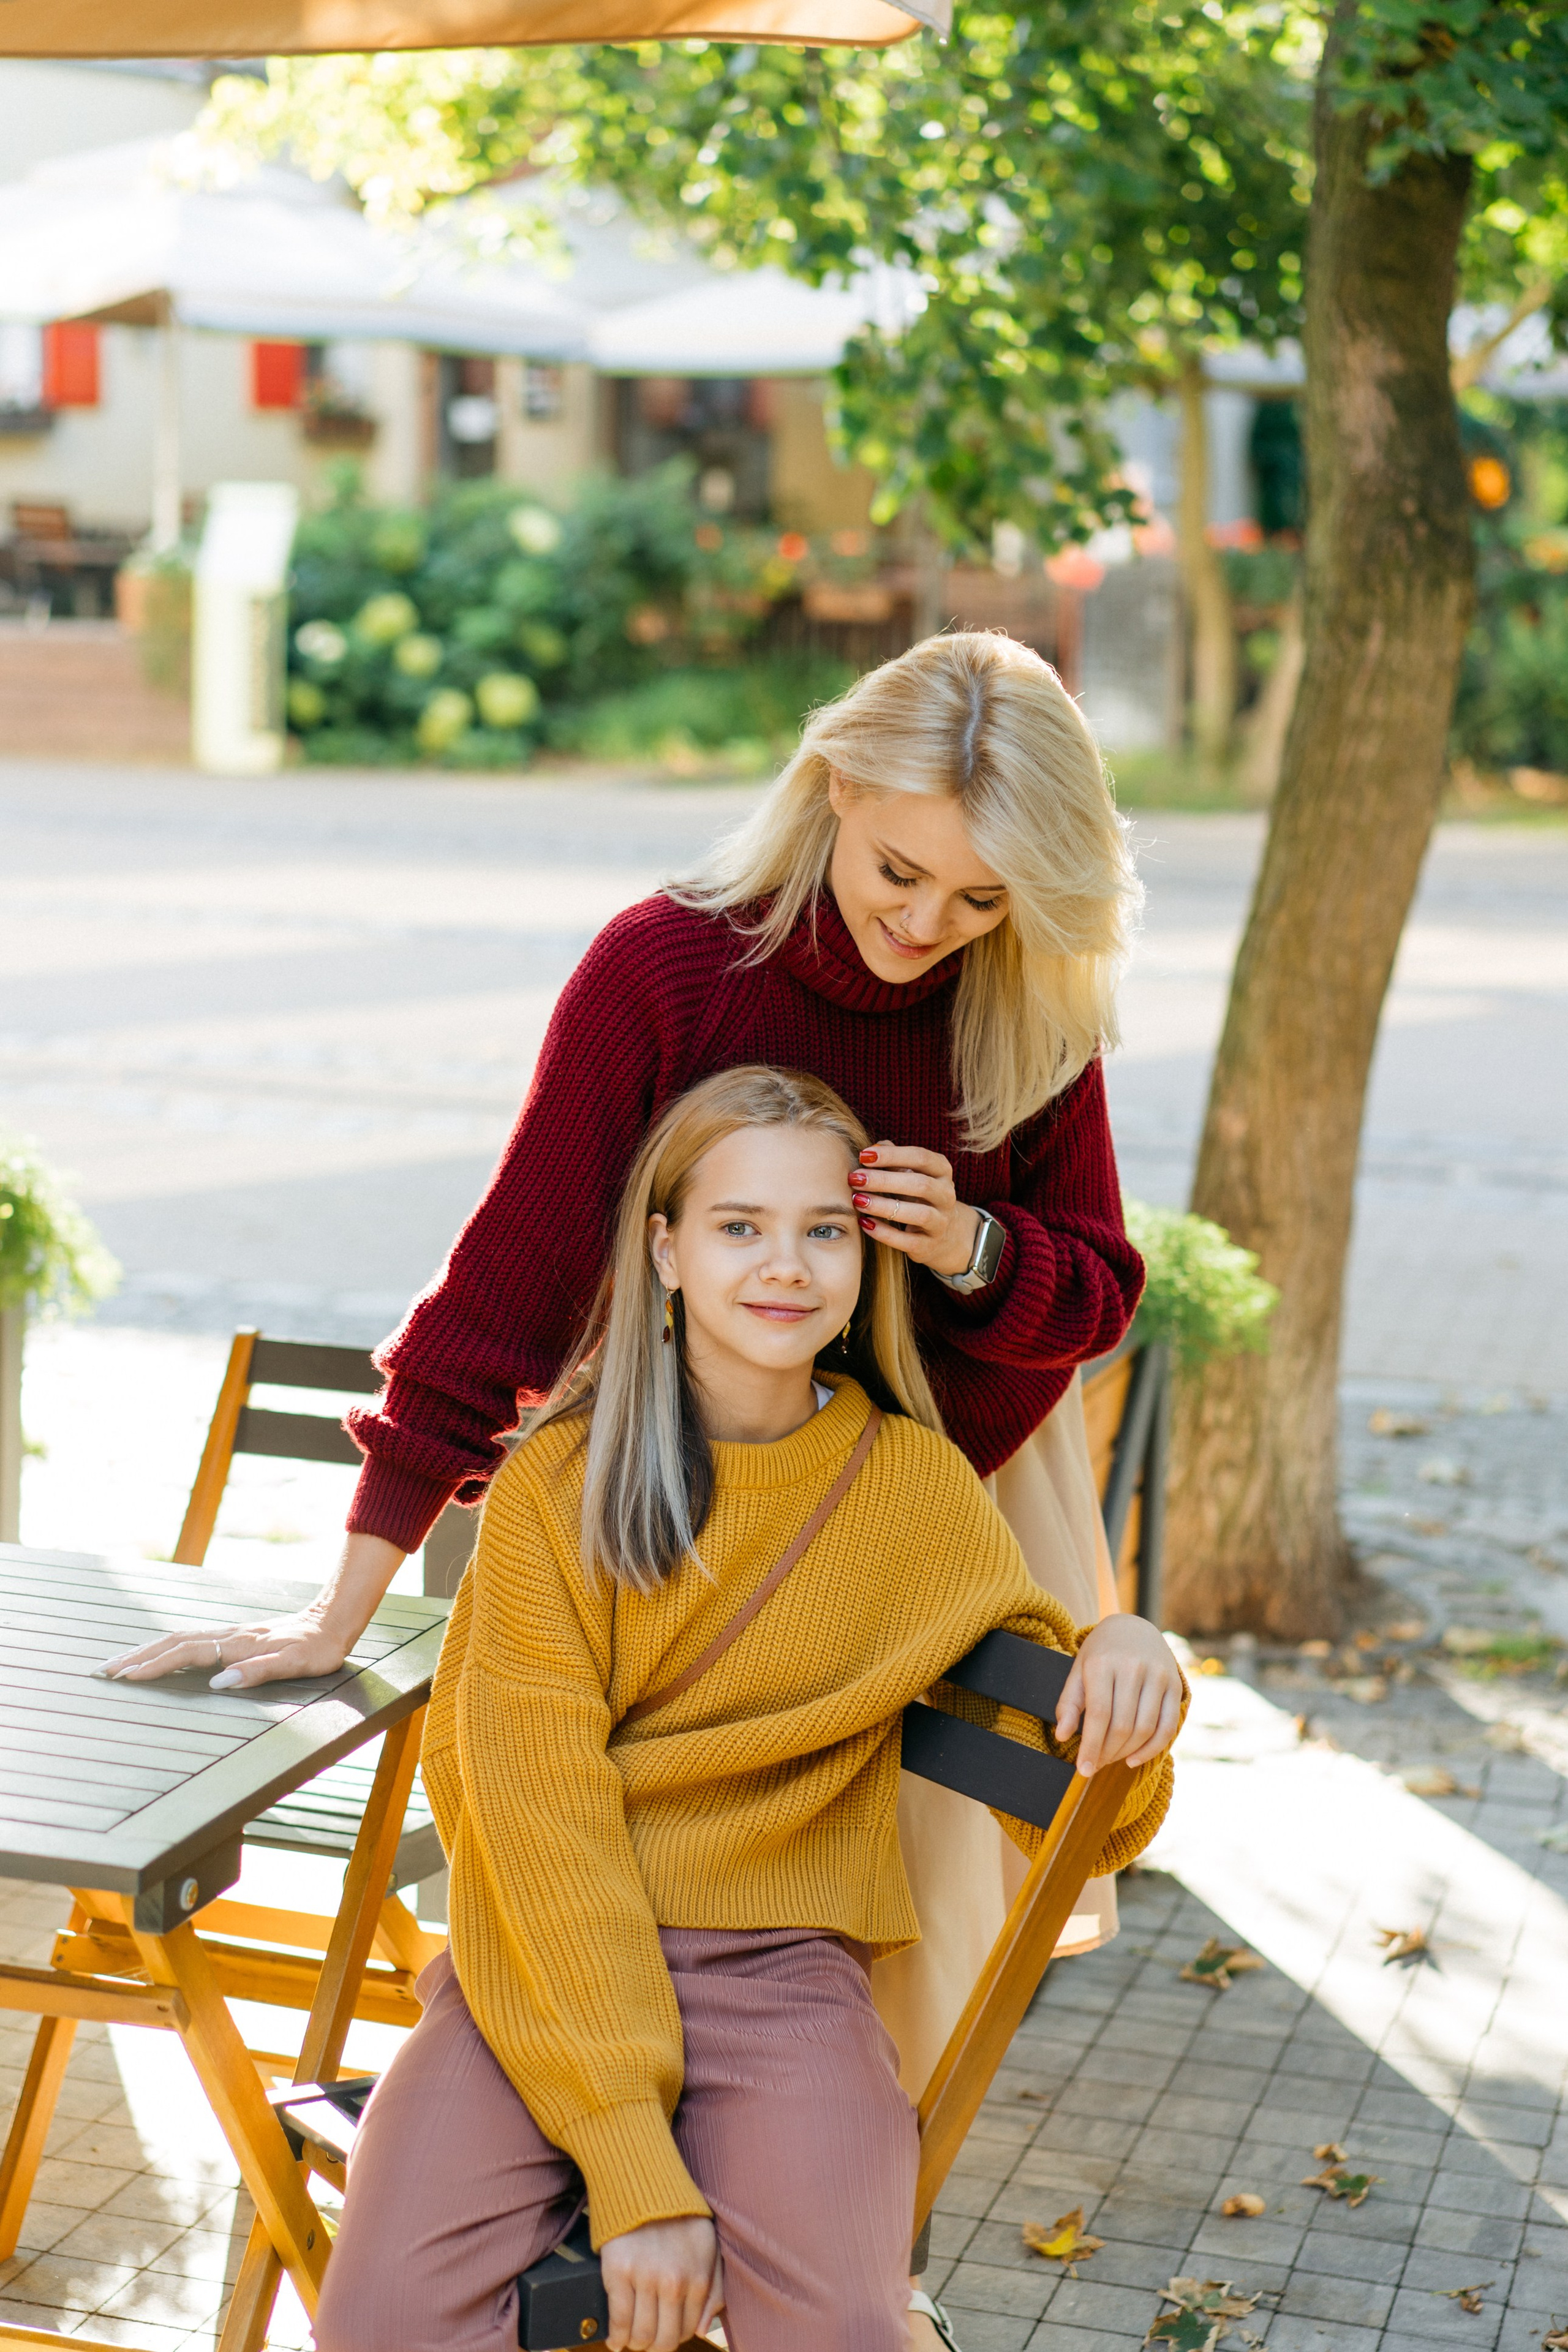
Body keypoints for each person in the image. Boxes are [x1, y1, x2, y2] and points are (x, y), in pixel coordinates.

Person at [103, 630, 1150, 2098]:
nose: (925, 926)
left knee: (905, 1908)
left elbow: (1098, 1286)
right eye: (899, 873)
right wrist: (344, 1600)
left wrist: (978, 1250)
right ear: (834, 789)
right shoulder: (666, 968)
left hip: (931, 1488)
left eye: (980, 897)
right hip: (673, 1476)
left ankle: (831, 2215)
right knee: (608, 1859)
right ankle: (602, 2169)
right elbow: (512, 1282)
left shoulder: (1022, 999)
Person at [312, 1068, 1185, 2352]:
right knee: (383, 2320)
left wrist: (1121, 1649)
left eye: (822, 1229)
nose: (785, 1266)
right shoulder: (562, 1478)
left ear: (863, 1256)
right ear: (663, 1250)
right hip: (538, 1957)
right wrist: (635, 2174)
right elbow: (532, 1816)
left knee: (838, 2326)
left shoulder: (912, 1488)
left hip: (782, 1973)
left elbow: (1097, 1821)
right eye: (738, 1227)